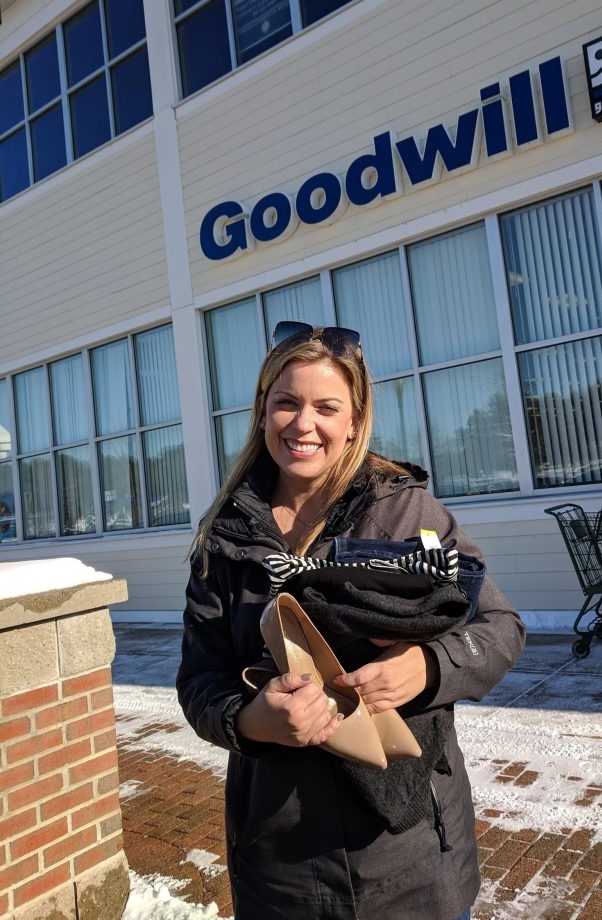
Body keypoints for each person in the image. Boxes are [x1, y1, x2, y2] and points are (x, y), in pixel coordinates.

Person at [176, 321, 526, 920]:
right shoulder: (224, 539)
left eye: (326, 407)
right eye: (286, 402)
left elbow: (498, 627)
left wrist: (427, 666)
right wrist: (253, 720)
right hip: (281, 863)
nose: (303, 424)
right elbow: (199, 679)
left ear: (354, 422)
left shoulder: (407, 513)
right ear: (263, 413)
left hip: (412, 856)